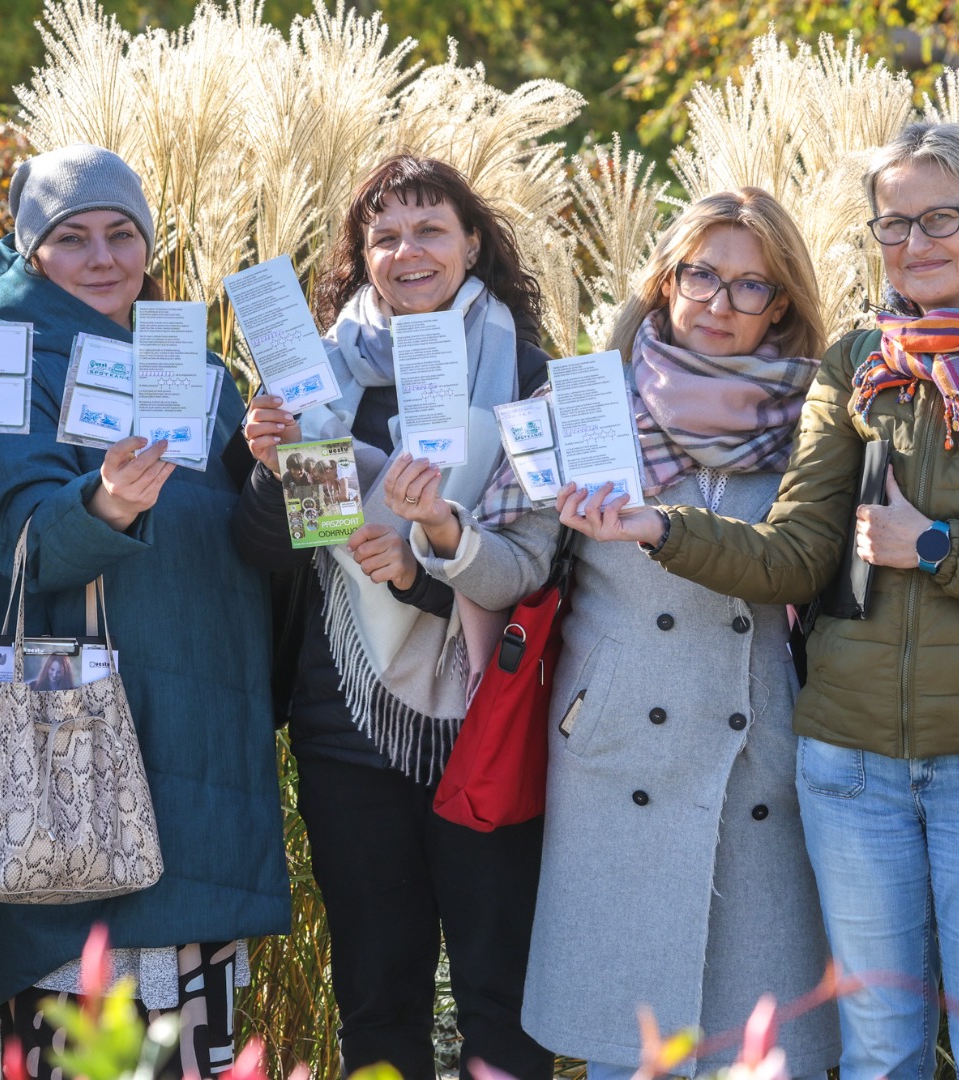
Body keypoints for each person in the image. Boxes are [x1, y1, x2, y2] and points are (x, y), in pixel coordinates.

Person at [595, 123, 959, 1080]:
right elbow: (797, 556)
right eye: (893, 225)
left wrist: (934, 546)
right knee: (877, 1051)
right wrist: (659, 528)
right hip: (852, 770)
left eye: (939, 218)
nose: (915, 243)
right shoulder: (859, 365)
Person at [393, 188, 841, 1076]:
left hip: (766, 760)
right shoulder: (583, 406)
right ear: (663, 281)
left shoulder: (818, 421)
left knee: (762, 1050)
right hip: (619, 754)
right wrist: (444, 531)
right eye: (700, 275)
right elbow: (517, 570)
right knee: (633, 1047)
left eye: (750, 287)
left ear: (781, 302)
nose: (717, 302)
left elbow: (820, 568)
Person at [0, 144, 290, 1080]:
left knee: (195, 1037)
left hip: (205, 744)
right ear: (29, 250)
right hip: (79, 738)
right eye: (71, 237)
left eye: (122, 234)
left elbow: (255, 545)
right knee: (91, 1029)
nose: (103, 258)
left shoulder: (196, 367)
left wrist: (269, 466)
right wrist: (105, 501)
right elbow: (20, 541)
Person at [231, 153, 553, 1079]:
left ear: (473, 243)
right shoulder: (320, 379)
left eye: (429, 230)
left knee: (503, 997)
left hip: (488, 719)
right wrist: (269, 464)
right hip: (347, 722)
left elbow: (541, 568)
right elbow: (267, 551)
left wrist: (422, 571)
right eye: (384, 236)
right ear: (360, 255)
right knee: (377, 1000)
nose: (407, 251)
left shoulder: (528, 377)